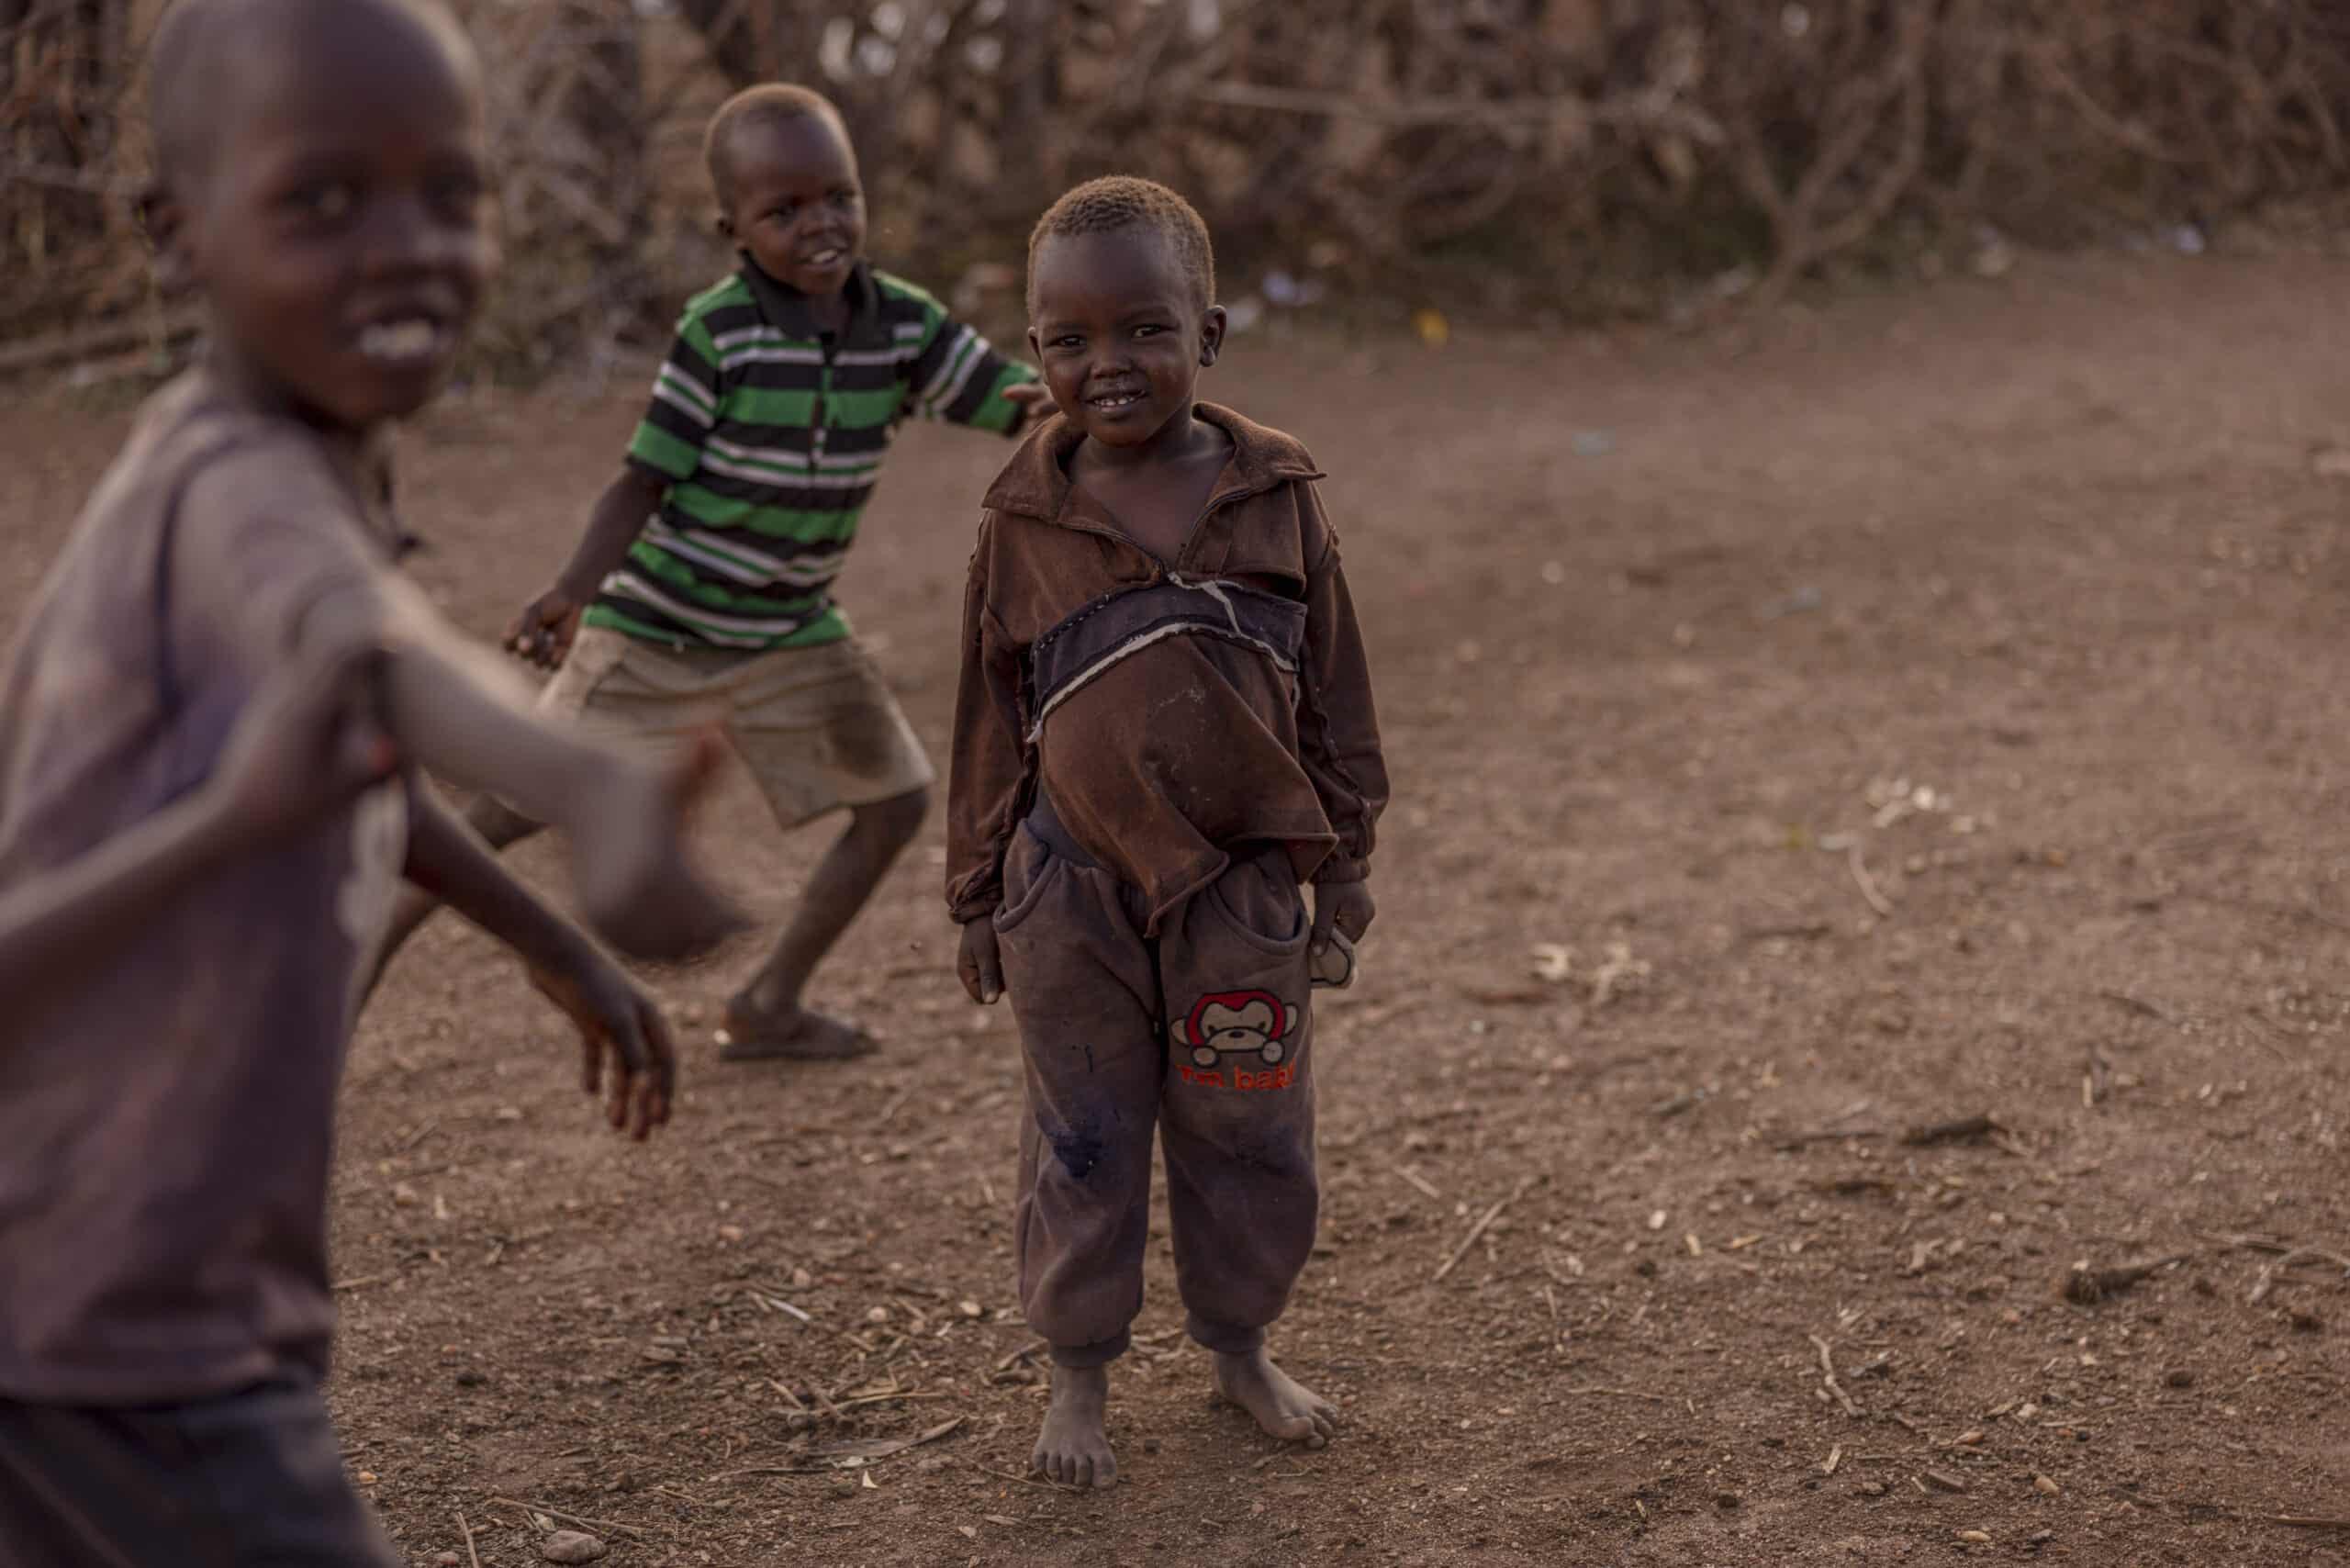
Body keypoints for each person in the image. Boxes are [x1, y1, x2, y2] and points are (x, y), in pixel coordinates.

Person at [0, 1, 744, 1560]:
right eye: (323, 199)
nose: (404, 244)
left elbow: (345, 753)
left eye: (449, 191)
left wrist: (548, 940)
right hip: (132, 1329)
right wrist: (592, 784)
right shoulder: (247, 493)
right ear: (175, 235)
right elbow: (381, 658)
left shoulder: (257, 446)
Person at [371, 83, 1051, 1062]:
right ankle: (346, 978)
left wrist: (1095, 380)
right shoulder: (718, 332)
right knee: (507, 816)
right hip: (659, 624)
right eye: (784, 211)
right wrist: (573, 591)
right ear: (735, 228)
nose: (819, 225)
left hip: (789, 626)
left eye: (837, 198)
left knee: (896, 801)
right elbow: (643, 479)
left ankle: (769, 1003)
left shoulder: (899, 324)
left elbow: (1003, 400)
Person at [946, 176, 1390, 1488]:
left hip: (1241, 888)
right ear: (1035, 353)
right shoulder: (1021, 518)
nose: (1109, 366)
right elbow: (986, 712)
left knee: (1245, 1122)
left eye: (1145, 329)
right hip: (1067, 890)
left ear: (1212, 331)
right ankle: (1077, 1370)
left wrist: (1346, 866)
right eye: (1069, 342)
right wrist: (977, 890)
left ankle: (1239, 1345)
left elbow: (1336, 685)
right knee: (1081, 1130)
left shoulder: (1275, 496)